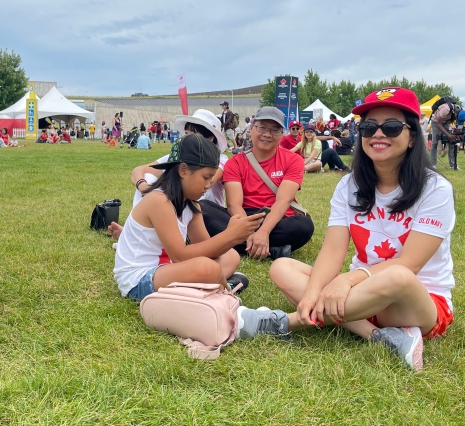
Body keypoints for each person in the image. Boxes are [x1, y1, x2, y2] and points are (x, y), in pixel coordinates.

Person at [252, 87, 455, 371]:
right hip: (363, 295)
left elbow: (410, 264)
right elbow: (333, 250)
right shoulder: (349, 186)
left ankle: (286, 322)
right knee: (281, 267)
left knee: (398, 275)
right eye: (369, 127)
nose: (378, 134)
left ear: (412, 138)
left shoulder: (435, 189)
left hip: (417, 301)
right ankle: (380, 336)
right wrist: (313, 292)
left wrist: (346, 281)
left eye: (393, 127)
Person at [113, 134, 265, 301]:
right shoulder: (159, 201)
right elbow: (181, 255)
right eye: (205, 177)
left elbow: (206, 249)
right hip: (140, 278)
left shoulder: (191, 206)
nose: (208, 185)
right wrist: (230, 235)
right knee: (207, 268)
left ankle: (206, 285)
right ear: (183, 170)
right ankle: (223, 290)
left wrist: (234, 238)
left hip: (168, 268)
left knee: (231, 257)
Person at [201, 106, 314, 260]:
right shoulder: (236, 162)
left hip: (278, 218)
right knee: (202, 209)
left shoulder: (293, 160)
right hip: (244, 216)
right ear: (251, 129)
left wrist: (264, 232)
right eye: (262, 128)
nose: (267, 134)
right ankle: (273, 251)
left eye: (274, 130)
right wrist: (249, 233)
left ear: (282, 134)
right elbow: (234, 205)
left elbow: (283, 200)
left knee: (304, 226)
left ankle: (239, 246)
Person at [108, 109, 228, 240]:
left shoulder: (220, 160)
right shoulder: (181, 155)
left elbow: (210, 181)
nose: (187, 138)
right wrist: (143, 186)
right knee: (148, 177)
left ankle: (141, 235)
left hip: (203, 213)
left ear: (210, 138)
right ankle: (137, 231)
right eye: (186, 134)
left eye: (193, 134)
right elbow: (139, 170)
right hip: (178, 210)